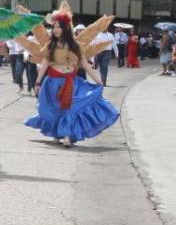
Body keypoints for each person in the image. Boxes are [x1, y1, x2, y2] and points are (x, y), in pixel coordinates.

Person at [24, 11, 119, 147]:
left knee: (69, 109)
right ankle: (56, 134)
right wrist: (38, 82)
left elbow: (85, 64)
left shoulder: (76, 45)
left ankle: (67, 136)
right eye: (54, 27)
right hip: (52, 83)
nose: (55, 30)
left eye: (58, 27)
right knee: (54, 109)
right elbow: (45, 64)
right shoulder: (51, 45)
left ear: (66, 28)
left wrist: (98, 80)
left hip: (71, 83)